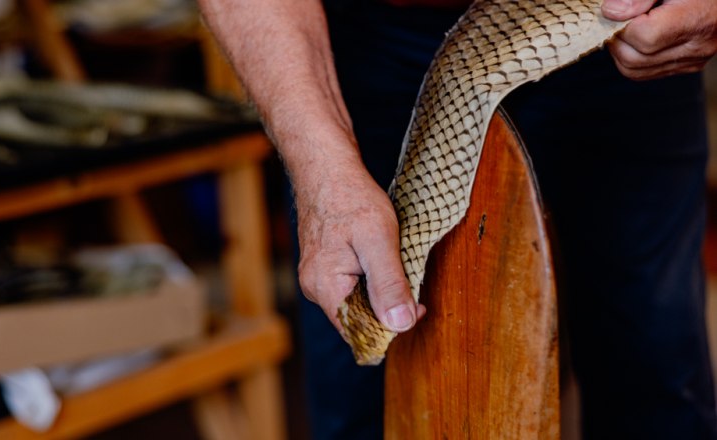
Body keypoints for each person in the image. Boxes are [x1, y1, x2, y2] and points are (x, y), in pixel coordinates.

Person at [197, 0, 717, 438]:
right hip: (373, 47)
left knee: (656, 378)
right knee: (371, 393)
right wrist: (323, 170)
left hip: (623, 28)